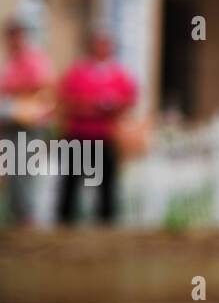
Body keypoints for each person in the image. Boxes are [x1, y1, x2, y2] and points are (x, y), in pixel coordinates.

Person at [56, 29, 136, 223]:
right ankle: (65, 223)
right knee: (71, 183)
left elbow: (127, 101)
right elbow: (66, 101)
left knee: (106, 185)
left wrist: (105, 108)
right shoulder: (77, 72)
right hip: (78, 136)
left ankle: (106, 224)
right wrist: (93, 108)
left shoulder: (118, 74)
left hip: (104, 137)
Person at [0, 19, 54, 226]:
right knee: (13, 170)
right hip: (12, 121)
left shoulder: (34, 58)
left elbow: (41, 83)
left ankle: (26, 216)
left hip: (30, 122)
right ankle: (18, 216)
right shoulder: (10, 61)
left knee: (23, 169)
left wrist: (13, 91)